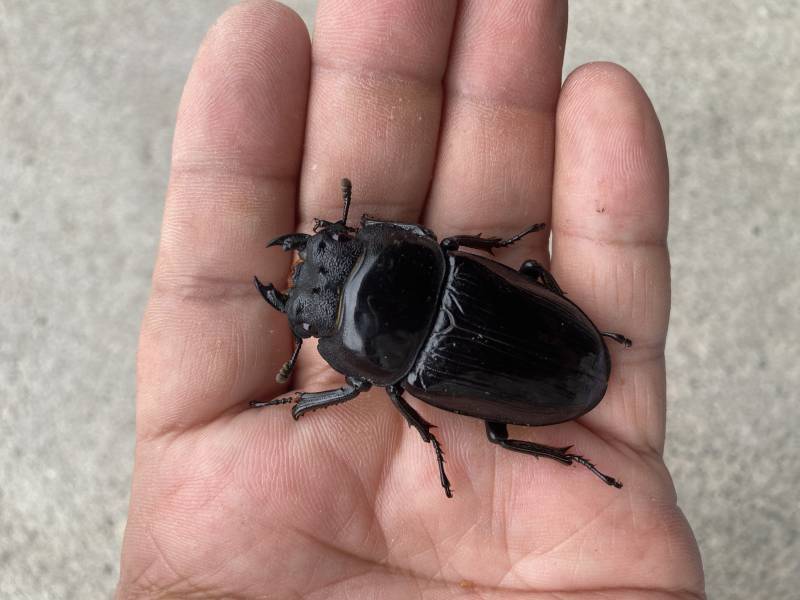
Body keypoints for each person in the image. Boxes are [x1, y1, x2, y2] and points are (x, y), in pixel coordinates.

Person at [116, 1, 704, 597]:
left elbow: (360, 385)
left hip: (512, 358)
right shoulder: (444, 261)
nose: (317, 264)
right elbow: (425, 264)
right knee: (524, 274)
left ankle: (575, 454)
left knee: (497, 426)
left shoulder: (406, 366)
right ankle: (576, 451)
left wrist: (388, 423)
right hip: (550, 344)